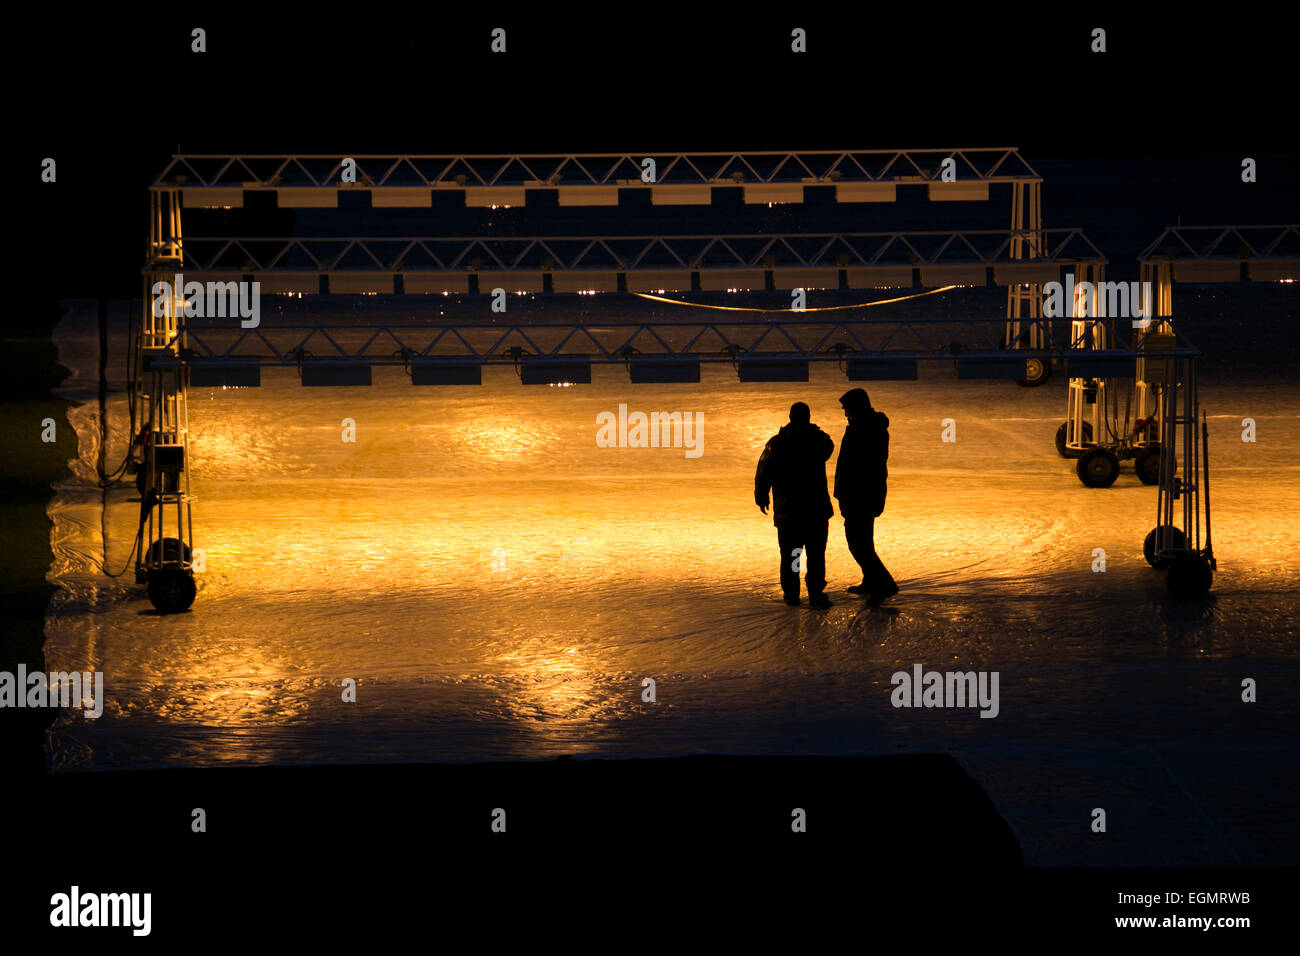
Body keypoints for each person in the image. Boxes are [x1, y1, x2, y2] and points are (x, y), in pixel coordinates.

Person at [755, 402, 834, 608]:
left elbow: (763, 472)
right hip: (815, 510)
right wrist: (813, 430)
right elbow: (829, 446)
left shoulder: (778, 443)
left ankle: (791, 593)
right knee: (816, 554)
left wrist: (761, 495)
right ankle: (815, 593)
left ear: (790, 417)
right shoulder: (817, 440)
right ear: (808, 417)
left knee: (792, 555)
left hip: (788, 512)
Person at [834, 388, 899, 605]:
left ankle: (884, 583)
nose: (845, 413)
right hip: (864, 493)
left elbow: (858, 466)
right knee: (862, 541)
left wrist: (844, 493)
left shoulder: (864, 429)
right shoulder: (867, 427)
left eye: (847, 408)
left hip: (859, 494)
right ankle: (871, 580)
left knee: (858, 543)